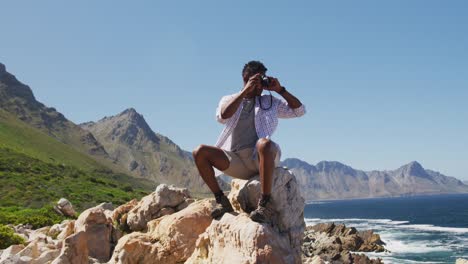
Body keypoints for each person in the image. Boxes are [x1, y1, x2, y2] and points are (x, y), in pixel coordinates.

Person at [192, 60, 306, 223]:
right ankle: (221, 201)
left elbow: (299, 111)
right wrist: (245, 91)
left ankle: (265, 204)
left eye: (262, 81)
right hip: (237, 160)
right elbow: (223, 116)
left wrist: (280, 90)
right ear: (246, 79)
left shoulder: (269, 101)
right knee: (199, 152)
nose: (261, 86)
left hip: (262, 157)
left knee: (264, 143)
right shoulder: (230, 99)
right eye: (257, 81)